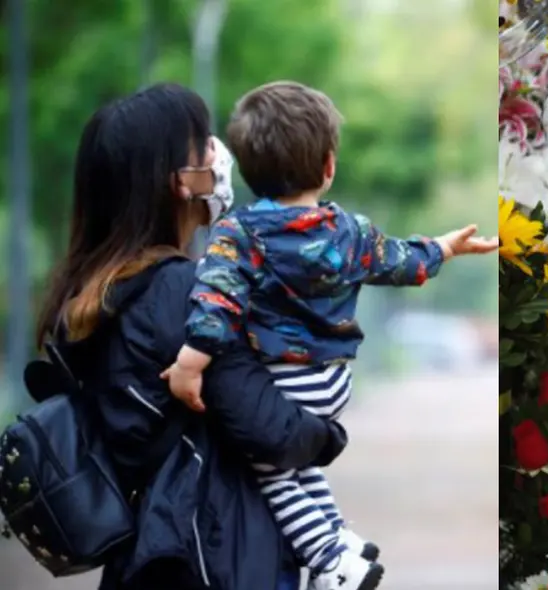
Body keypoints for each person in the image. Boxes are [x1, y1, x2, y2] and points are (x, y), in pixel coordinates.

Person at [160, 81, 499, 590]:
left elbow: (216, 300)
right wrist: (443, 248)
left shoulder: (240, 233)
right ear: (329, 166)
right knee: (299, 464)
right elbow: (399, 262)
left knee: (271, 470)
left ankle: (327, 559)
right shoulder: (350, 230)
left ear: (249, 171)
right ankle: (341, 536)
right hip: (333, 385)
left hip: (280, 383)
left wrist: (190, 363)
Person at [34, 83, 346, 590]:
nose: (217, 154)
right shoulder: (184, 294)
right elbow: (270, 429)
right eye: (202, 144)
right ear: (179, 182)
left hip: (147, 558)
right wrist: (328, 431)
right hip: (216, 556)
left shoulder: (88, 299)